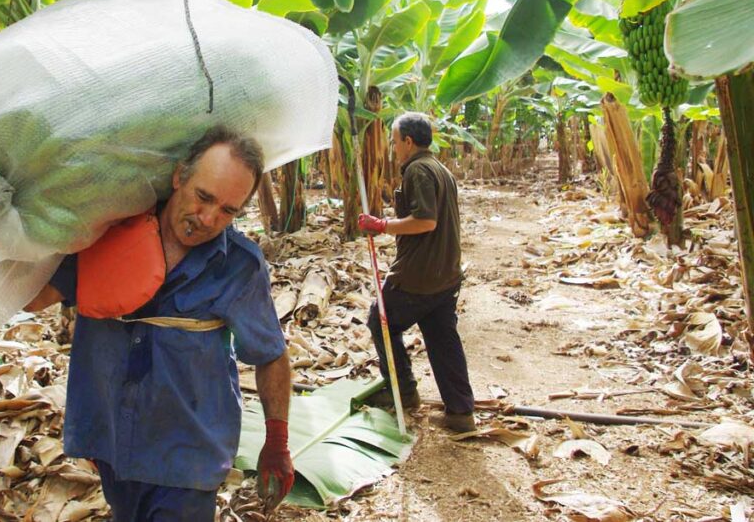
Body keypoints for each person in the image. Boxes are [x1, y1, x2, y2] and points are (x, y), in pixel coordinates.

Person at [26, 126, 294, 520]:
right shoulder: (105, 236)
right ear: (178, 176)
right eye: (203, 197)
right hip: (115, 444)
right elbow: (34, 299)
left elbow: (270, 354)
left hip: (188, 454)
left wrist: (278, 440)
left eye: (227, 210)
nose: (208, 218)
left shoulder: (238, 266)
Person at [357, 112, 476, 432]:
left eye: (395, 142)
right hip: (445, 273)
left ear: (408, 142)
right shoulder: (440, 170)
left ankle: (403, 390)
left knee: (379, 320)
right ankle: (461, 412)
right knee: (442, 338)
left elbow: (426, 221)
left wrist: (380, 226)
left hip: (419, 276)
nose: (393, 148)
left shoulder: (419, 171)